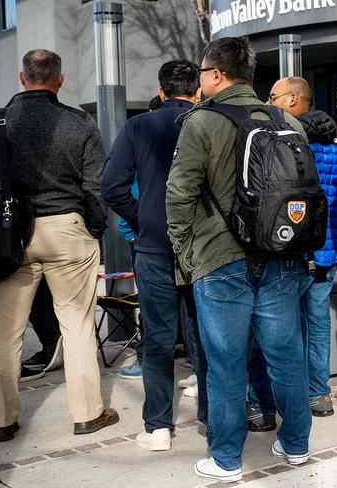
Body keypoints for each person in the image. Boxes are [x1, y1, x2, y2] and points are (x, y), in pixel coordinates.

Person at [166, 37, 312, 482]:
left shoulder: (201, 122)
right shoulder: (287, 121)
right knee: (286, 354)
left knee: (226, 362)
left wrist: (185, 249)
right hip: (281, 254)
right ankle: (296, 444)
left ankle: (227, 458)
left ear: (215, 74)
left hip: (220, 258)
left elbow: (180, 192)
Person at [0, 50, 120, 441]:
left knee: (5, 331)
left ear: (22, 78)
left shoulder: (1, 123)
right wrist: (93, 228)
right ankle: (87, 414)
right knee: (77, 324)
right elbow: (94, 187)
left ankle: (2, 420)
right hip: (67, 227)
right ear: (60, 80)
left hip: (10, 231)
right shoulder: (79, 121)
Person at [102, 60, 207, 451]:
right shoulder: (208, 120)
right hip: (203, 246)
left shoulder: (137, 126)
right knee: (206, 335)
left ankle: (158, 427)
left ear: (162, 92)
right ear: (196, 91)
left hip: (154, 245)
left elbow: (112, 186)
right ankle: (213, 419)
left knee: (159, 337)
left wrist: (143, 217)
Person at [245, 76, 337, 426]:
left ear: (293, 101)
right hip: (329, 251)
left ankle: (264, 402)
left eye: (273, 96)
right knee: (317, 323)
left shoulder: (289, 147)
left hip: (293, 253)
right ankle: (318, 394)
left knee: (275, 329)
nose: (268, 101)